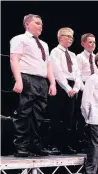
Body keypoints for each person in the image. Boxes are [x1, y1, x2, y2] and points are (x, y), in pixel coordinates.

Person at [10, 14, 56, 157]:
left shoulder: (44, 44)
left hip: (41, 81)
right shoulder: (19, 39)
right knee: (24, 112)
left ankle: (35, 145)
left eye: (41, 23)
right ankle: (21, 146)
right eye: (37, 23)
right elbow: (14, 59)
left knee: (39, 115)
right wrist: (18, 80)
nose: (40, 26)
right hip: (27, 77)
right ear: (27, 24)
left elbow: (48, 64)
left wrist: (52, 82)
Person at [49, 27, 82, 155]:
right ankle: (55, 145)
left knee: (70, 117)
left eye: (72, 37)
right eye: (67, 36)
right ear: (60, 37)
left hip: (72, 86)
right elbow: (57, 71)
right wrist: (67, 88)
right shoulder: (55, 52)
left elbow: (77, 73)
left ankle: (66, 144)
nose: (70, 39)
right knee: (58, 116)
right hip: (61, 85)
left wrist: (75, 88)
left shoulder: (73, 55)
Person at [75, 33, 97, 152]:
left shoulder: (96, 57)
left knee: (93, 116)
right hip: (84, 88)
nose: (92, 44)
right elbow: (77, 74)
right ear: (83, 44)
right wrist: (84, 89)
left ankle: (90, 142)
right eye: (90, 42)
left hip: (95, 91)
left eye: (94, 42)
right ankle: (80, 142)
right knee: (82, 116)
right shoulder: (80, 57)